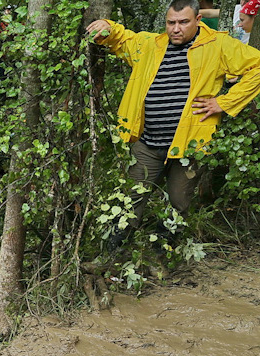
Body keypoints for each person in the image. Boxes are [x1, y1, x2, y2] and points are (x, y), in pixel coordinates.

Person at [86, 0, 260, 249]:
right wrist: (108, 26)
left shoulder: (218, 44)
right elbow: (123, 39)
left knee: (179, 202)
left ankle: (161, 254)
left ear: (198, 20)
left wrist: (225, 102)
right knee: (130, 199)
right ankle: (112, 254)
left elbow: (257, 66)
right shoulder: (151, 45)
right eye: (171, 22)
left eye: (183, 22)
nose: (176, 29)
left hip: (189, 145)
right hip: (147, 142)